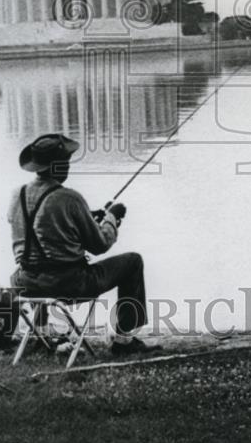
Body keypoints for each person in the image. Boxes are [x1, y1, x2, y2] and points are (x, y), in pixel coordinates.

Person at [8, 133, 157, 356]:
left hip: (25, 284)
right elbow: (100, 244)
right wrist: (111, 219)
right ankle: (124, 341)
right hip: (69, 285)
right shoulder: (69, 198)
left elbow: (39, 234)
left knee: (38, 266)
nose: (68, 167)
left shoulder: (17, 195)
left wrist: (84, 218)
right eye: (66, 162)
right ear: (57, 166)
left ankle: (42, 334)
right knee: (133, 262)